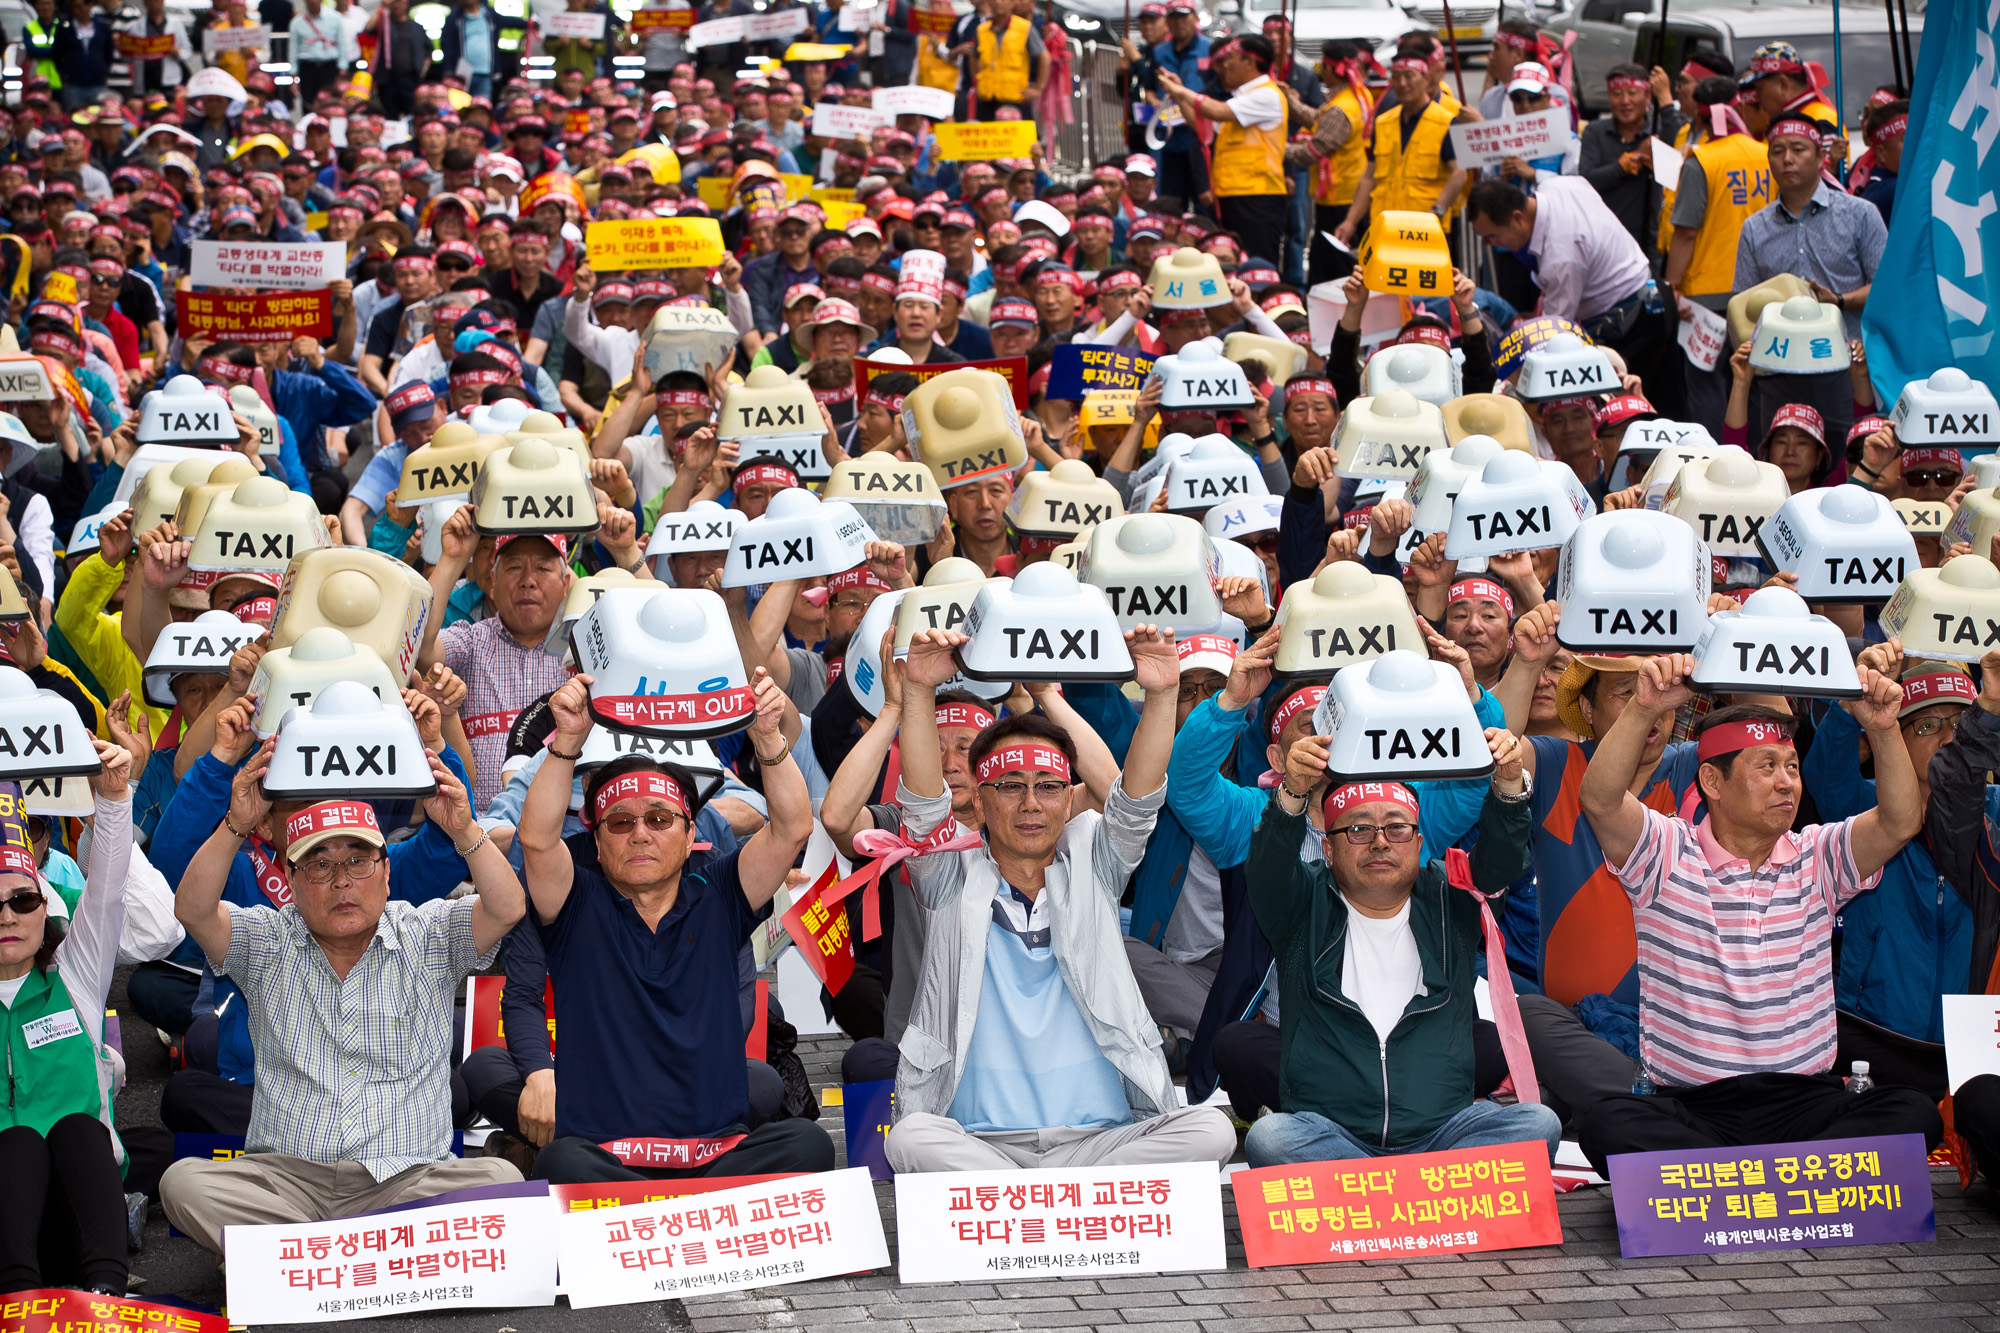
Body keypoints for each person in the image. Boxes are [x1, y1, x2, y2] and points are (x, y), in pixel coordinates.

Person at [880, 626, 1239, 1173]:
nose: (1030, 804)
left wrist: (1163, 694)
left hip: (1101, 1142)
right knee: (909, 1139)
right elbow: (924, 807)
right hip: (982, 1145)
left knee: (1212, 1129)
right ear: (979, 797)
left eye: (1047, 786)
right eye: (1010, 786)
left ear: (1068, 798)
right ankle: (1049, 1202)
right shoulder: (949, 875)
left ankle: (1032, 1203)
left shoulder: (1094, 866)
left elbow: (1134, 800)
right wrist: (918, 692)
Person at [1570, 654, 1943, 1174]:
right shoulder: (1666, 852)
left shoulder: (1816, 856)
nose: (1787, 783)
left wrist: (1882, 729)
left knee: (1913, 1114)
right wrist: (1644, 708)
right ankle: (1791, 1174)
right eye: (1766, 767)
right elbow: (1601, 800)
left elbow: (1901, 821)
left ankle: (1731, 1178)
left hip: (1805, 1102)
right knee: (1610, 1125)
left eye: (1791, 767)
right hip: (1696, 1106)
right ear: (1713, 782)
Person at [159, 736, 527, 1255]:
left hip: (407, 1182)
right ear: (291, 877)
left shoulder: (426, 933)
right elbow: (194, 910)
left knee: (501, 1179)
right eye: (319, 865)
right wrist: (236, 826)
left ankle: (301, 1259)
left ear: (386, 871)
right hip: (288, 1183)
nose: (341, 883)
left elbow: (507, 907)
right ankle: (376, 1257)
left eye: (358, 862)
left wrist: (465, 830)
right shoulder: (268, 939)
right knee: (184, 1184)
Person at [519, 669, 837, 1182]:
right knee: (564, 1162)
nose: (640, 834)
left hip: (715, 1156)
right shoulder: (576, 903)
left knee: (806, 1144)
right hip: (608, 1159)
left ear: (692, 836)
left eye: (660, 820)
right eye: (620, 823)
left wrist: (768, 738)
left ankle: (682, 1213)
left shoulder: (720, 896)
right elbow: (536, 841)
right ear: (596, 844)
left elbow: (792, 827)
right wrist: (567, 744)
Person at [1241, 722, 1556, 1166]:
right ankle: (1421, 1188)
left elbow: (1501, 859)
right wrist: (1292, 793)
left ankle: (1385, 1188)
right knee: (1271, 1138)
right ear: (1328, 851)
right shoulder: (1300, 905)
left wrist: (1508, 784)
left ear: (1419, 841)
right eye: (1358, 831)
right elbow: (1268, 867)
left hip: (1443, 1132)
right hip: (1335, 1135)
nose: (1380, 843)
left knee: (1538, 1125)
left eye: (1397, 829)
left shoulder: (1453, 898)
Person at [0, 739, 136, 1297]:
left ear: (45, 906)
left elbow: (105, 893)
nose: (7, 917)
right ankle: (16, 1301)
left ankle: (107, 1294)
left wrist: (113, 800)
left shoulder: (74, 977)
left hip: (72, 1217)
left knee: (77, 1130)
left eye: (22, 901)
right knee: (15, 1145)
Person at [1465, 176, 1681, 418]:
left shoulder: (1561, 256)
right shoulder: (1557, 185)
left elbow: (1555, 334)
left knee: (1639, 410)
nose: (1492, 244)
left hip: (1634, 322)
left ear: (1518, 218)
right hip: (1652, 291)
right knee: (1671, 397)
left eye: (1493, 236)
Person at [1732, 113, 1884, 448]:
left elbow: (1886, 290)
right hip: (1778, 371)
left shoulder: (1860, 214)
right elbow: (1744, 303)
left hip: (1845, 367)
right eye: (1777, 150)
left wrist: (1840, 301)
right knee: (1785, 465)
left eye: (1798, 149)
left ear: (1821, 157)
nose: (1786, 159)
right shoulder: (1754, 228)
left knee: (1853, 459)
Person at [1664, 75, 1770, 432]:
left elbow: (1686, 233)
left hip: (1705, 294)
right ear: (1738, 106)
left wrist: (1671, 285)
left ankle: (1710, 457)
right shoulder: (1767, 153)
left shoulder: (1702, 160)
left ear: (1700, 115)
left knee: (1706, 385)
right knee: (1754, 381)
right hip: (1760, 292)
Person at [1157, 34, 1288, 267]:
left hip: (1257, 197)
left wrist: (1183, 91)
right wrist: (1178, 93)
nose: (1224, 65)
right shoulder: (1241, 99)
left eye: (1231, 58)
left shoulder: (1265, 94)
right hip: (1234, 196)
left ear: (1249, 61)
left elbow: (1215, 111)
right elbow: (1202, 125)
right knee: (1234, 264)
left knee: (1257, 264)